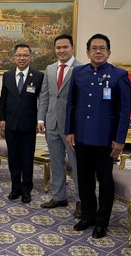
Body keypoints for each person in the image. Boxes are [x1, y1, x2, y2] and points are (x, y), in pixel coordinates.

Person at [65, 33, 131, 239]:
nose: (98, 51)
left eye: (102, 48)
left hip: (105, 140)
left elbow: (124, 110)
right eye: (94, 48)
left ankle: (102, 221)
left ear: (109, 52)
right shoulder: (78, 73)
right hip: (82, 137)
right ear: (87, 52)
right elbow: (71, 105)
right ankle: (87, 216)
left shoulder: (119, 75)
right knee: (84, 179)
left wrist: (120, 139)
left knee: (105, 181)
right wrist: (69, 130)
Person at [37, 34, 82, 217]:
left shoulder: (81, 69)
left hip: (72, 127)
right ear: (54, 49)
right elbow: (45, 96)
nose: (61, 50)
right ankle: (59, 196)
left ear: (72, 48)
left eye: (65, 47)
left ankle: (81, 200)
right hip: (51, 123)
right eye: (58, 48)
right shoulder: (49, 69)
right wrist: (41, 119)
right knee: (55, 162)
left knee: (76, 164)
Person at [0, 43, 44, 203]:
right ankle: (15, 188)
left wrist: (40, 120)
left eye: (25, 55)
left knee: (27, 159)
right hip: (11, 124)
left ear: (30, 57)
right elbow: (3, 99)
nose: (22, 58)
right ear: (14, 58)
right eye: (19, 55)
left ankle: (26, 190)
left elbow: (42, 101)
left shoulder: (38, 76)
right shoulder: (7, 75)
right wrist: (2, 119)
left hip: (28, 125)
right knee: (13, 158)